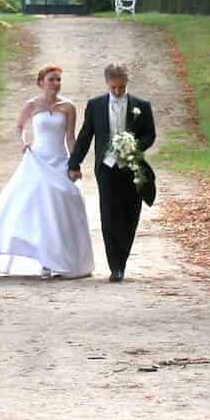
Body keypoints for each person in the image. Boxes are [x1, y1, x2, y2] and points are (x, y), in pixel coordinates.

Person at [0, 64, 96, 279]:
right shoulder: (32, 105)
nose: (56, 83)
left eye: (58, 80)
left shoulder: (68, 107)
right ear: (41, 82)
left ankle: (63, 259)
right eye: (52, 79)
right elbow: (19, 127)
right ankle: (44, 260)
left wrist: (74, 164)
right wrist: (24, 142)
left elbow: (70, 137)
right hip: (38, 160)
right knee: (39, 210)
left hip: (60, 161)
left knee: (61, 209)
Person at [70, 61, 157, 282]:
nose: (117, 92)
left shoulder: (141, 106)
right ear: (107, 84)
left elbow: (150, 134)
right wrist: (74, 163)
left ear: (127, 82)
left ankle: (123, 259)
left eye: (121, 87)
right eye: (113, 88)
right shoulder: (96, 105)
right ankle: (115, 266)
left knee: (130, 213)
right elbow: (85, 136)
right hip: (106, 168)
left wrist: (133, 147)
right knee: (109, 214)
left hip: (132, 167)